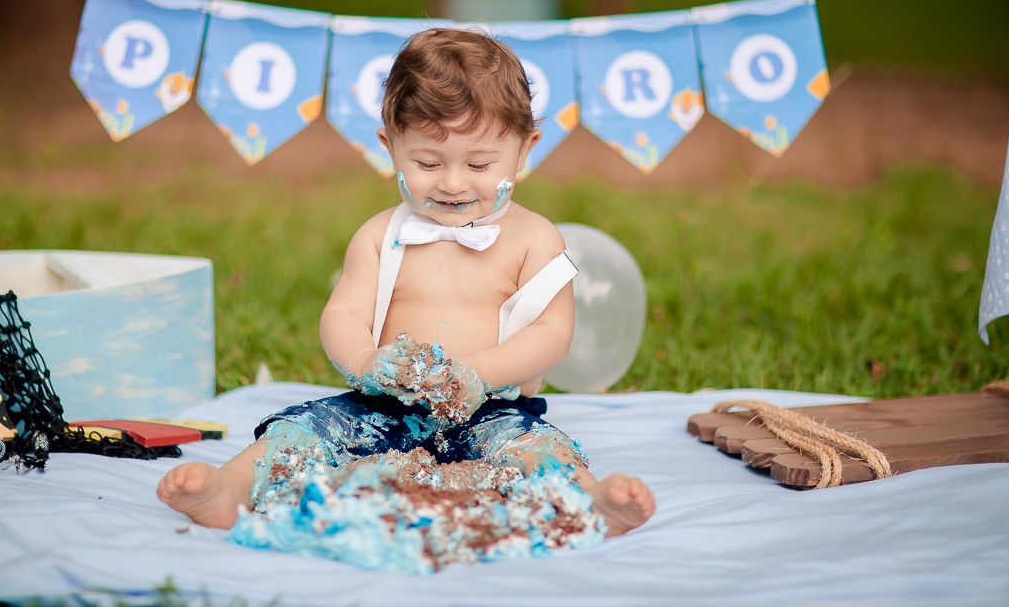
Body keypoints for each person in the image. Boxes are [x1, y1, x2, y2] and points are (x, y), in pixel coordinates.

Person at [157, 28, 654, 537]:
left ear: (524, 151)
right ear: (389, 146)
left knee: (537, 450)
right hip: (384, 405)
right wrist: (367, 363)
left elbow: (552, 332)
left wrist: (478, 372)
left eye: (480, 164)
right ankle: (231, 487)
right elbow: (343, 314)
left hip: (491, 410)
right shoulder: (380, 235)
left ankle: (589, 501)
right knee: (302, 431)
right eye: (427, 162)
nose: (454, 182)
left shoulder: (534, 238)